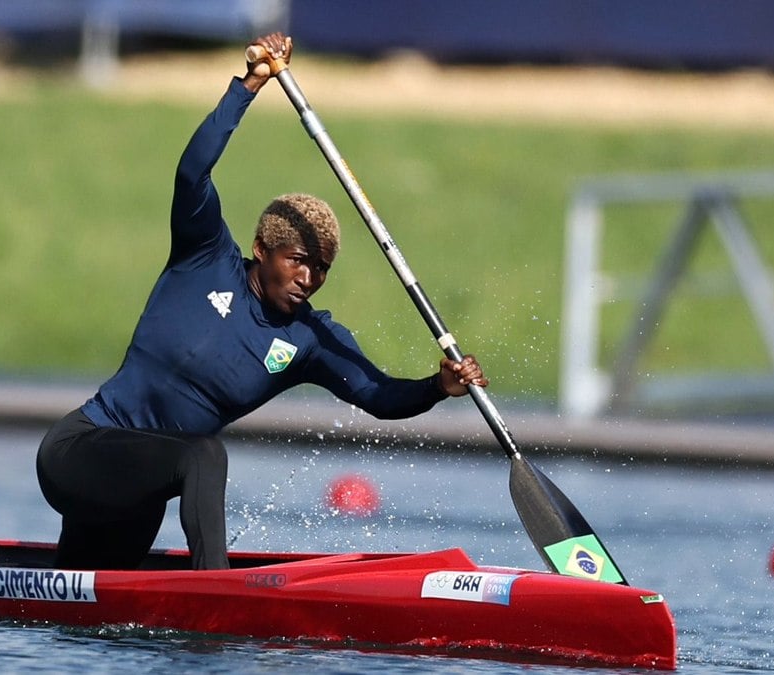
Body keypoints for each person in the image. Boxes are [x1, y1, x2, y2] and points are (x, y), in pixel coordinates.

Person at [34, 33, 487, 571]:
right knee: (204, 454)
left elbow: (378, 395)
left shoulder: (309, 341)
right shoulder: (204, 256)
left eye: (321, 268)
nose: (309, 277)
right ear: (261, 250)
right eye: (298, 259)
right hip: (80, 450)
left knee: (80, 602)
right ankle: (216, 591)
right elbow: (191, 172)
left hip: (140, 491)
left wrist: (439, 387)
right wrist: (249, 84)